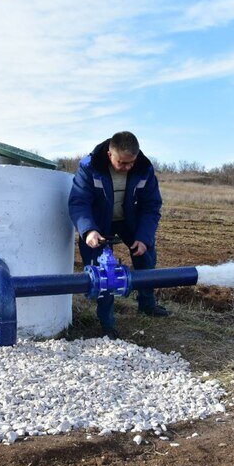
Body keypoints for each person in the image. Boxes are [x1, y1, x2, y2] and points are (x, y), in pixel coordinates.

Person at [68, 131, 169, 339]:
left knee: (146, 257)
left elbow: (152, 206)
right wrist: (88, 230)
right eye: (122, 163)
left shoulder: (144, 169)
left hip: (129, 221)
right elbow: (79, 202)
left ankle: (147, 305)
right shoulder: (89, 167)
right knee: (103, 271)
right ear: (109, 154)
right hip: (98, 223)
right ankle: (107, 323)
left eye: (131, 162)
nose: (127, 167)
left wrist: (143, 237)